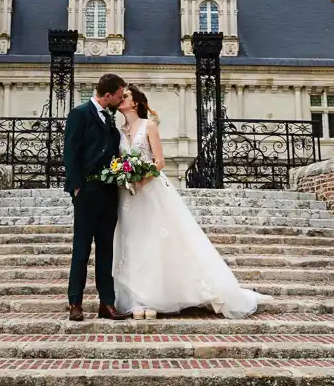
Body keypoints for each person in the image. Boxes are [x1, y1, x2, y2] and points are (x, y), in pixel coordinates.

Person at [111, 85, 265, 318]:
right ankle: (138, 299)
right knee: (132, 242)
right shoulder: (119, 130)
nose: (120, 99)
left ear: (135, 103)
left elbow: (160, 161)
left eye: (125, 96)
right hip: (128, 194)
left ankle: (155, 297)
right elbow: (120, 161)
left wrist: (142, 178)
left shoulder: (148, 125)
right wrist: (124, 176)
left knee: (154, 240)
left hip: (150, 189)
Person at [62, 72, 131, 322]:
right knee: (81, 249)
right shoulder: (80, 113)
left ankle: (107, 303)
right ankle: (75, 303)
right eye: (120, 95)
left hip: (109, 192)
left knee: (106, 251)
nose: (121, 99)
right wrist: (76, 186)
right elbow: (70, 150)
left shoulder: (110, 119)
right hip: (87, 191)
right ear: (108, 95)